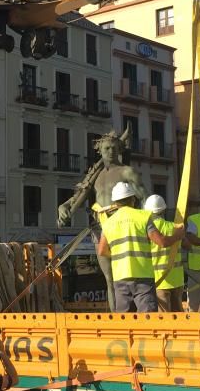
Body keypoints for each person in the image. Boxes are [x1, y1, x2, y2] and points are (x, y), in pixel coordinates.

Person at [57, 131, 146, 310]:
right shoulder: (94, 177)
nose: (111, 151)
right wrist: (63, 206)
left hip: (123, 229)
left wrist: (146, 226)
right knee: (110, 279)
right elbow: (77, 197)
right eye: (106, 148)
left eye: (114, 148)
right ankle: (117, 318)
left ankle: (132, 315)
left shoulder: (127, 172)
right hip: (100, 229)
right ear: (99, 150)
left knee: (129, 278)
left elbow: (144, 198)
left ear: (120, 149)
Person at [97, 182, 185, 312]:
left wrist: (120, 256)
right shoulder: (143, 217)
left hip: (120, 277)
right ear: (133, 199)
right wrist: (177, 235)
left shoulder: (108, 223)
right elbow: (162, 242)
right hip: (142, 276)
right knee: (147, 316)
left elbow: (102, 251)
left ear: (115, 202)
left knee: (124, 317)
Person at [144, 195, 185, 312]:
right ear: (163, 210)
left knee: (164, 317)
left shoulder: (146, 230)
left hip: (159, 280)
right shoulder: (174, 227)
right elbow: (187, 244)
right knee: (178, 315)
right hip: (177, 279)